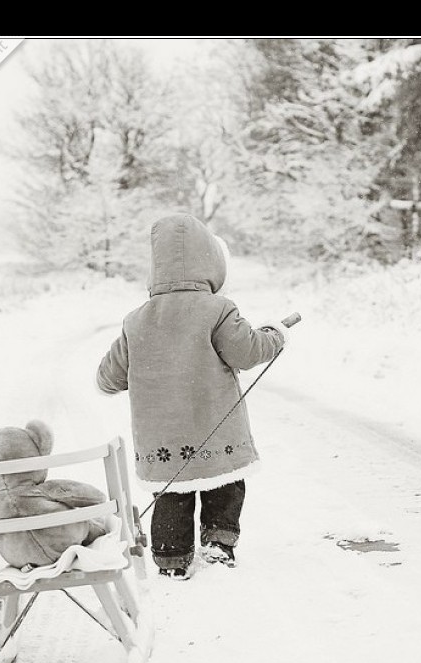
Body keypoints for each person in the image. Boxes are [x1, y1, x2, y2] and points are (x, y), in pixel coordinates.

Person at [96, 213, 285, 580]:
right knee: (225, 483)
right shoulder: (218, 309)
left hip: (162, 440)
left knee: (171, 494)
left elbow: (109, 378)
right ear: (212, 261)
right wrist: (275, 335)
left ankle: (171, 558)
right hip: (216, 429)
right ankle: (217, 542)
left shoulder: (136, 320)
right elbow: (247, 352)